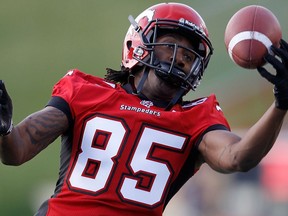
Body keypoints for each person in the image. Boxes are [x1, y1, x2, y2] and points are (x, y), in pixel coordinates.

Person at [0, 2, 287, 216]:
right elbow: (17, 149)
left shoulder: (196, 117)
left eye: (190, 55)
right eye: (171, 45)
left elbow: (237, 157)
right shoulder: (86, 91)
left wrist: (280, 103)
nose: (181, 59)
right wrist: (4, 128)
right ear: (137, 43)